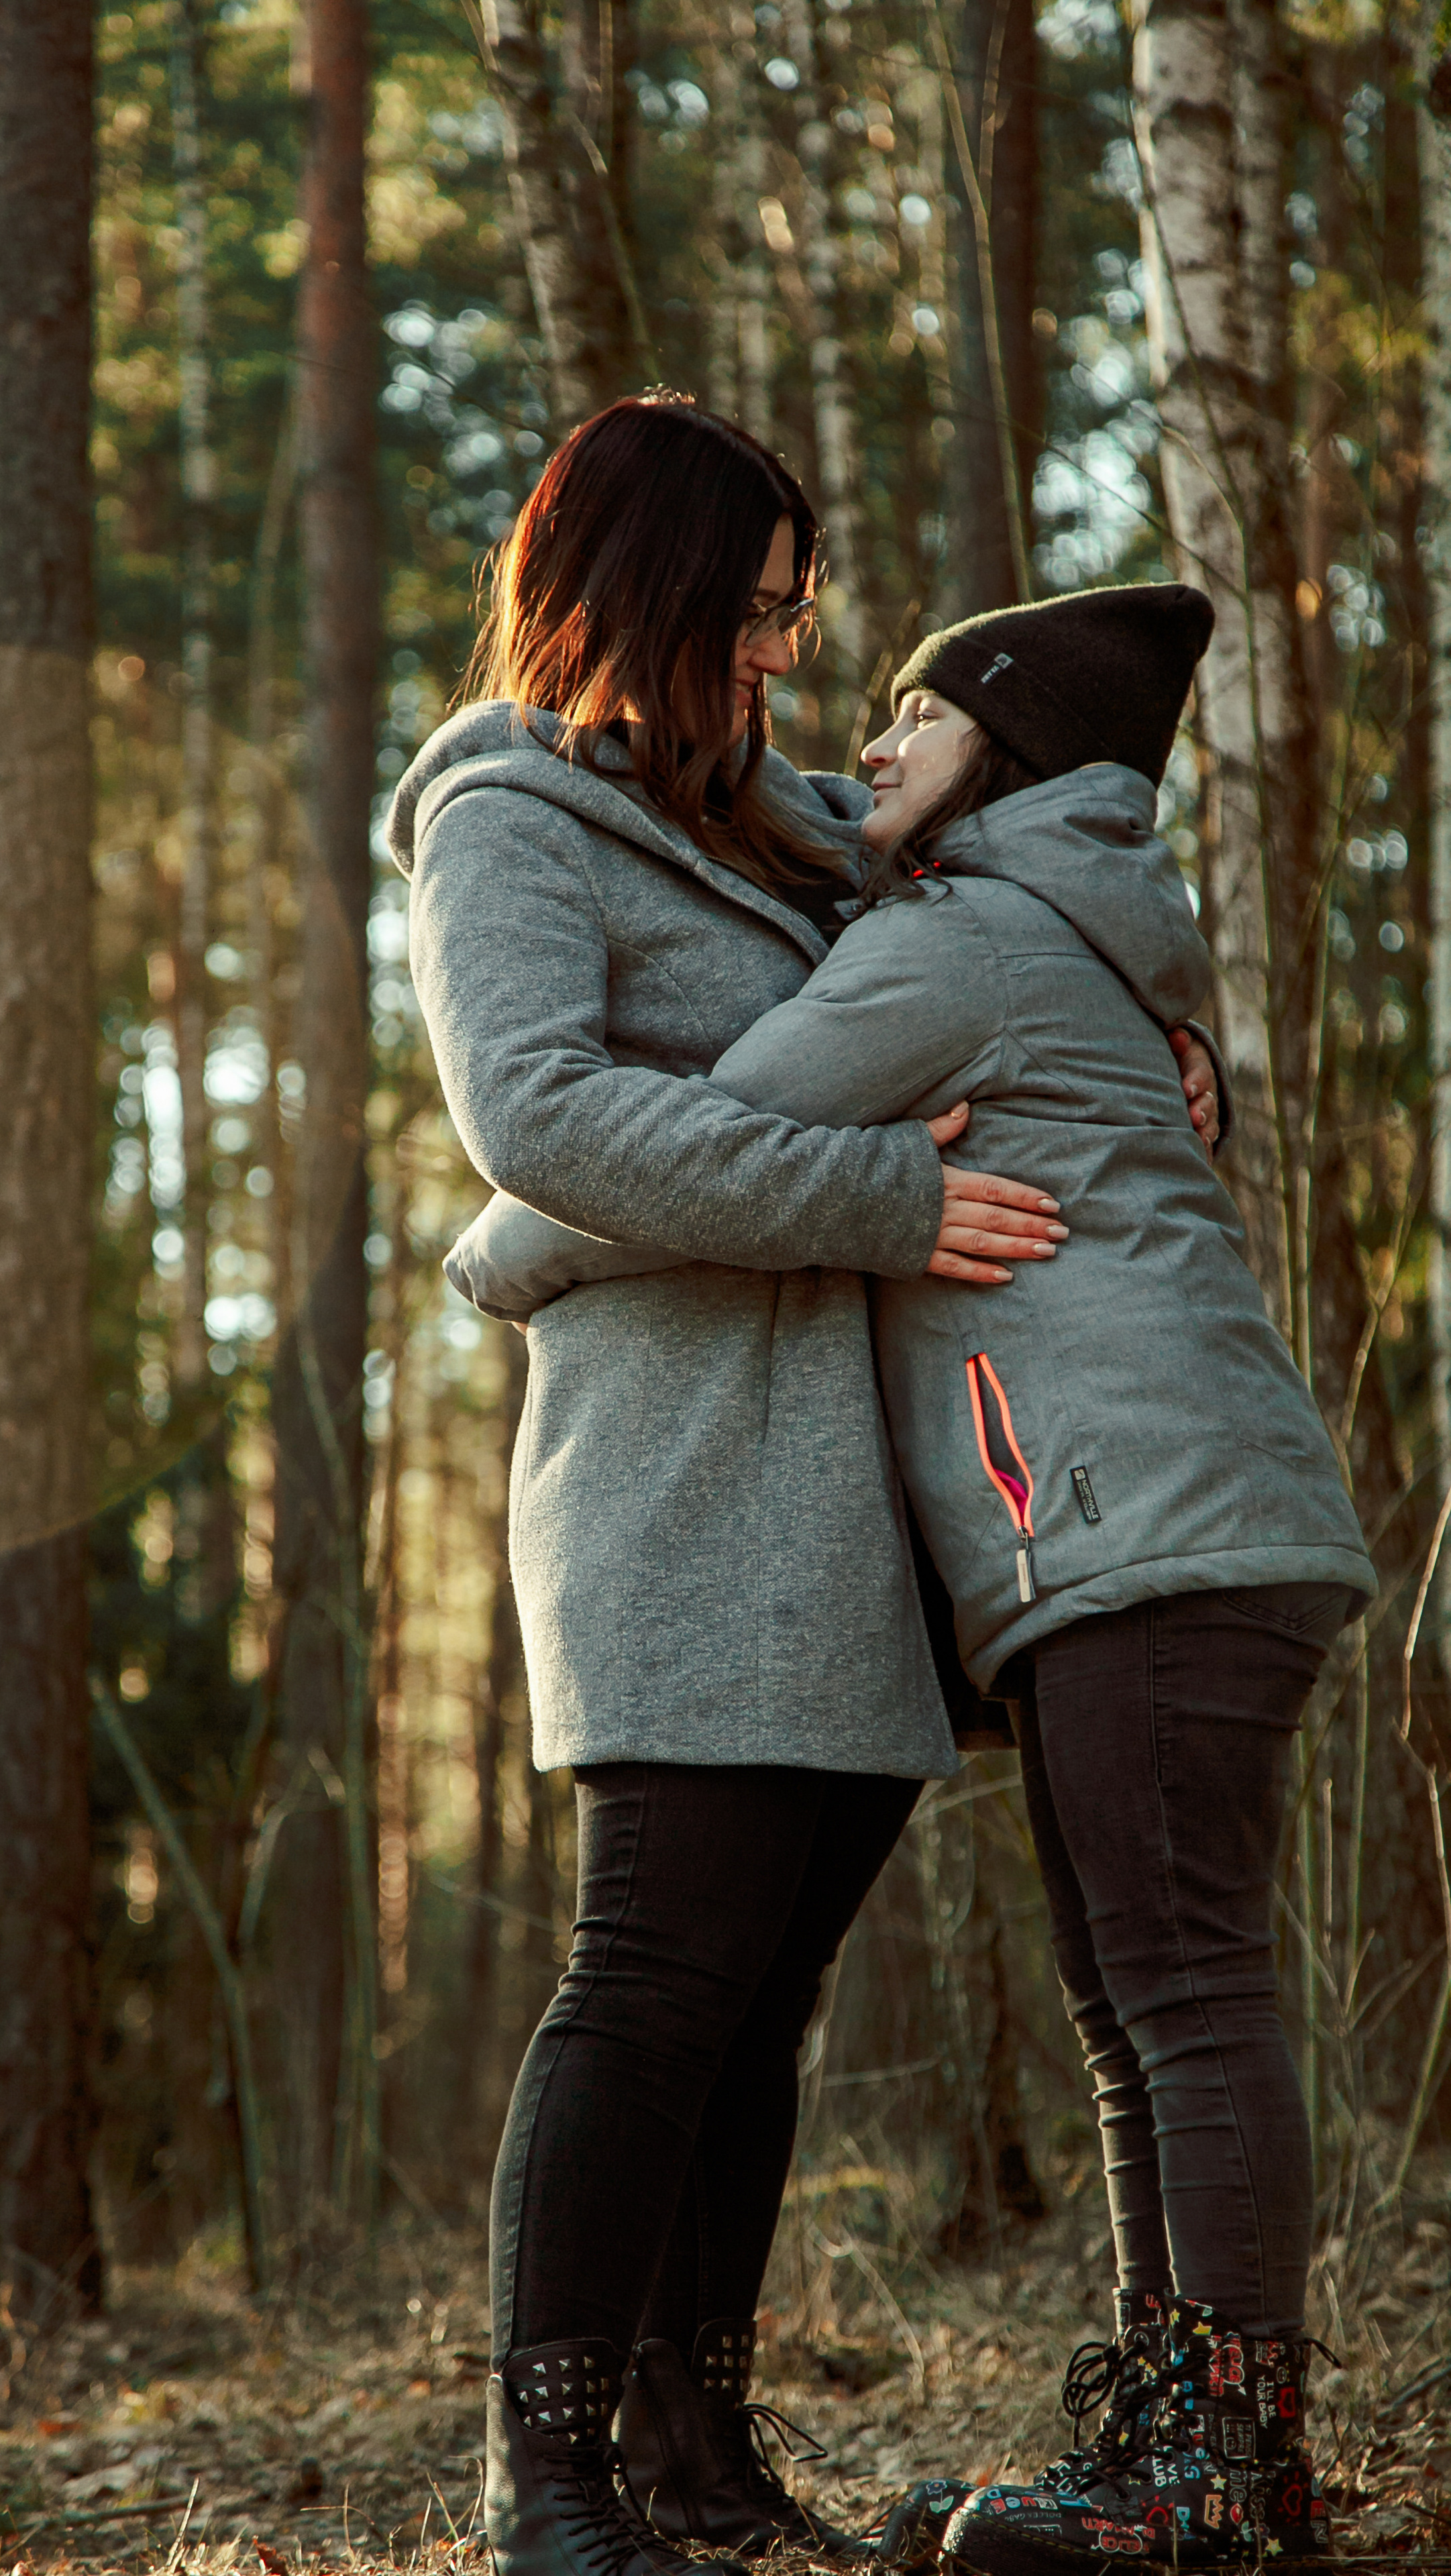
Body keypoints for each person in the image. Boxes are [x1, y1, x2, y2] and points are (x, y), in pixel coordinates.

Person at [447, 579, 1374, 2575]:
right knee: (1144, 2002)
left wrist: (500, 1253)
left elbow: (697, 1133)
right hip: (1169, 1521)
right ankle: (1195, 2449)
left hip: (1144, 1528)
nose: (860, 734)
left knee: (1177, 1994)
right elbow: (754, 851)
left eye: (919, 714)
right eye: (773, 619)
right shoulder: (1091, 928)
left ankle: (1217, 2461)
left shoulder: (957, 943)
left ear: (1015, 754)